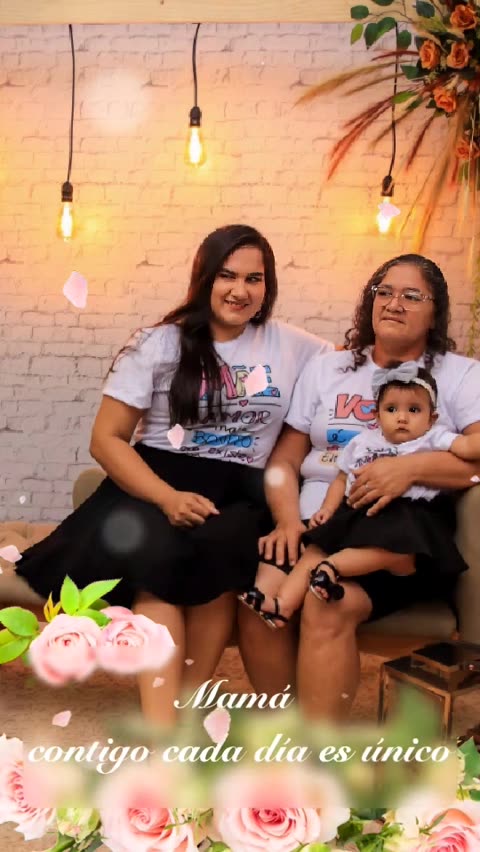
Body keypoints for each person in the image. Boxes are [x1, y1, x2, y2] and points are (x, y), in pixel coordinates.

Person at [12, 224, 332, 725]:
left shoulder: (297, 347)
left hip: (241, 487)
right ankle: (163, 728)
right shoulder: (159, 343)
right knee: (158, 569)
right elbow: (106, 439)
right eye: (227, 275)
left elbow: (355, 375)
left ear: (268, 286)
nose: (240, 290)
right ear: (204, 277)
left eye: (255, 279)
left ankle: (182, 717)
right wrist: (167, 498)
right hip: (157, 479)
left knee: (219, 561)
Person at [237, 253, 480, 720]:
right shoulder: (328, 368)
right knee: (258, 601)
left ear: (436, 313)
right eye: (384, 292)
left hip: (397, 533)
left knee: (326, 603)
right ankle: (285, 730)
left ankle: (320, 740)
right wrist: (287, 521)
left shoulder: (459, 375)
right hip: (319, 518)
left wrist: (411, 469)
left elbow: (475, 462)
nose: (394, 303)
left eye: (412, 296)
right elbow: (284, 459)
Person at [240, 362, 480, 628]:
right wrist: (328, 509)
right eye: (391, 409)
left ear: (431, 418)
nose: (402, 418)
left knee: (388, 546)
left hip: (410, 515)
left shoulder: (434, 437)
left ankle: (332, 568)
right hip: (359, 511)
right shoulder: (363, 441)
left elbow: (469, 446)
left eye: (414, 410)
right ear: (376, 415)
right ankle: (282, 604)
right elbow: (342, 478)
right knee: (318, 545)